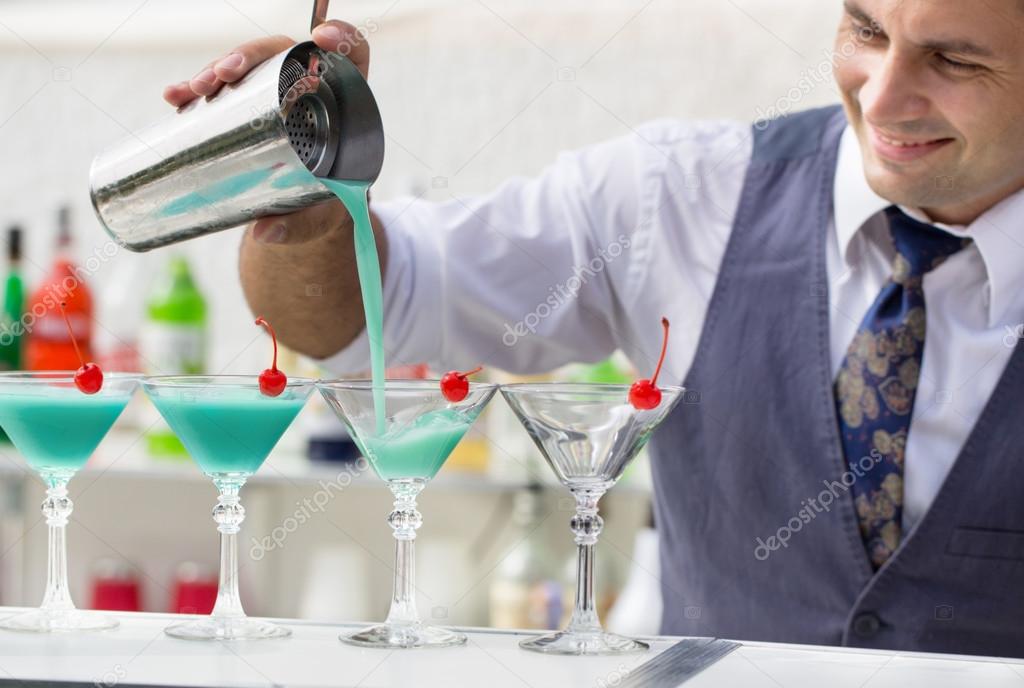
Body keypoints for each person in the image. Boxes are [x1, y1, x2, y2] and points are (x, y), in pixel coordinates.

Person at [165, 0, 1024, 657]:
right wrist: (303, 189)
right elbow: (360, 310)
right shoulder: (680, 195)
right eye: (867, 30)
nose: (883, 96)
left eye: (952, 59)